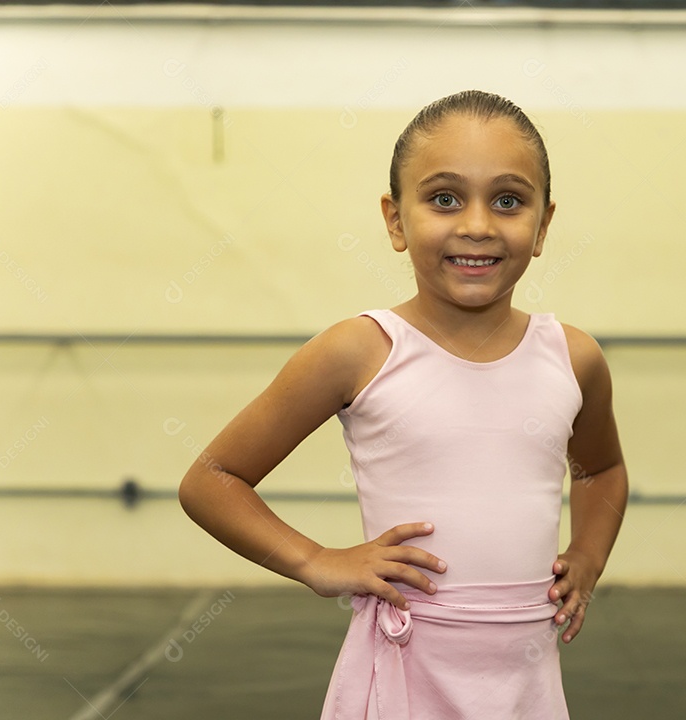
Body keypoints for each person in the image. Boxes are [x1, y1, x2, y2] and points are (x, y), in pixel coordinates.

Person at [178, 89, 629, 719]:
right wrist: (315, 560)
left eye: (508, 200)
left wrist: (587, 554)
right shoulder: (359, 351)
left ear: (543, 225)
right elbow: (212, 479)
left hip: (526, 677)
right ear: (395, 220)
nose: (477, 224)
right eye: (445, 198)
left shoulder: (573, 358)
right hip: (403, 670)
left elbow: (601, 469)